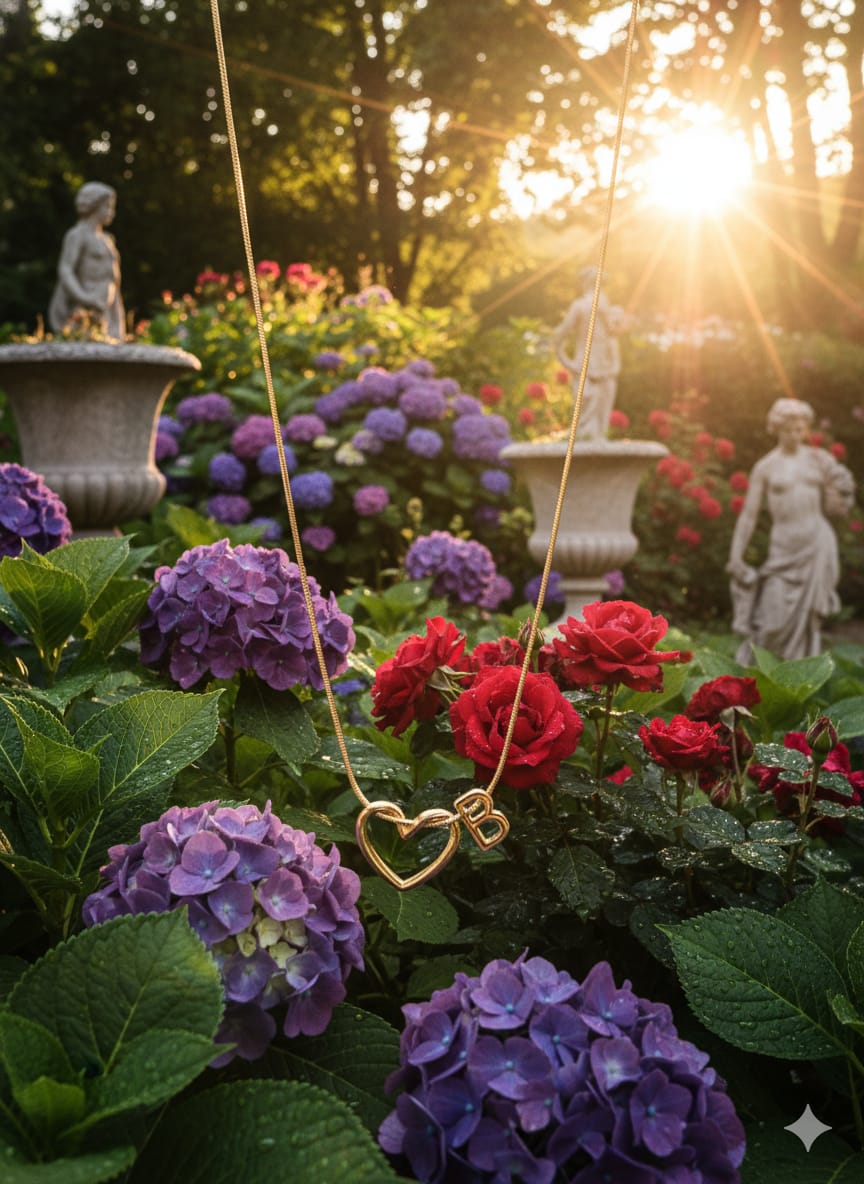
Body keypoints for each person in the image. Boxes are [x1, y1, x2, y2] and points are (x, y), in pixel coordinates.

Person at [727, 397, 855, 662]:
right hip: (783, 551)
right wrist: (736, 556)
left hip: (817, 545)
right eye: (788, 430)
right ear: (776, 429)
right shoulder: (766, 467)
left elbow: (841, 502)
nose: (795, 435)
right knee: (770, 623)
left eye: (800, 429)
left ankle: (801, 687)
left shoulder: (819, 460)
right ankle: (758, 678)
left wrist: (844, 491)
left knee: (810, 624)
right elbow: (749, 516)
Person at [48, 181, 125, 340]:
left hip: (107, 308)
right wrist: (84, 297)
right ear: (94, 206)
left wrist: (118, 317)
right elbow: (66, 269)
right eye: (108, 206)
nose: (112, 212)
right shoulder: (77, 235)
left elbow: (113, 280)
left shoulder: (107, 240)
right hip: (83, 308)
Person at [553, 266, 623, 439]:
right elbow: (615, 331)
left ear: (585, 284)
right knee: (593, 407)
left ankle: (590, 437)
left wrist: (566, 361)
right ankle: (591, 437)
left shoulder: (582, 306)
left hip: (589, 363)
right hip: (593, 363)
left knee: (592, 408)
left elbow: (558, 337)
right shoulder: (597, 307)